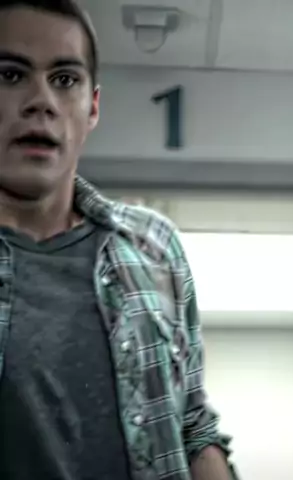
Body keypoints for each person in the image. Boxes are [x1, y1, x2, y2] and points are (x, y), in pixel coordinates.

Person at [0, 1, 236, 479]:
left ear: (92, 107)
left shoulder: (153, 246)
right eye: (11, 75)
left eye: (64, 79)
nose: (41, 101)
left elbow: (193, 428)